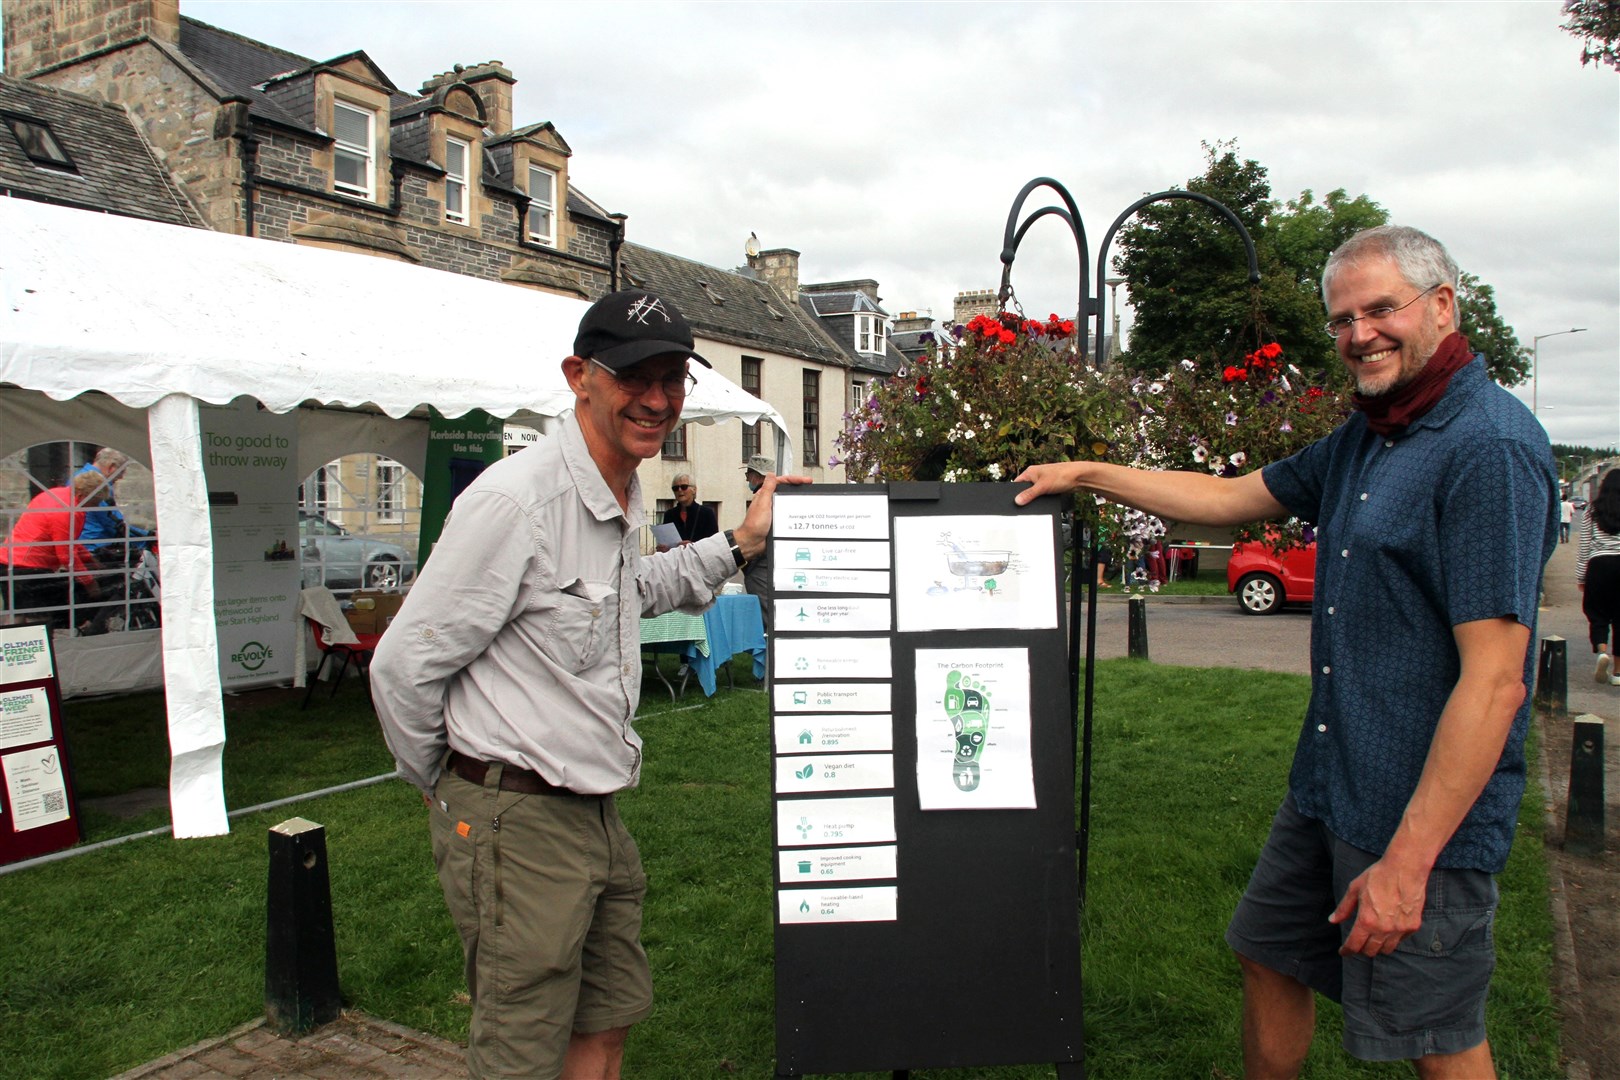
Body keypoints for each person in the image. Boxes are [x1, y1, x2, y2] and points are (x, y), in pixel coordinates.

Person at [1016, 225, 1556, 1078]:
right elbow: (1230, 497)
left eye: (1381, 310)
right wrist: (1085, 472)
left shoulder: (1488, 448)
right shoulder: (1367, 436)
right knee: (1268, 955)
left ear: (1443, 305)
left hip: (1422, 817)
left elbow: (1495, 684)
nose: (1359, 335)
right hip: (1329, 786)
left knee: (1437, 1037)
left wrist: (1408, 865)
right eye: (1342, 320)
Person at [371, 289, 800, 1080]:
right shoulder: (516, 501)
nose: (659, 399)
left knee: (605, 1024)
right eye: (637, 375)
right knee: (521, 1053)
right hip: (517, 818)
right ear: (580, 376)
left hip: (594, 813)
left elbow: (630, 592)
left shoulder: (617, 492)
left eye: (674, 379)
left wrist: (741, 542)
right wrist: (449, 783)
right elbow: (402, 666)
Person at [0, 471, 108, 630]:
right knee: (40, 615)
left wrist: (90, 559)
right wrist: (90, 583)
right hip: (28, 566)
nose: (96, 506)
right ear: (85, 495)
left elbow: (68, 541)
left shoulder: (56, 494)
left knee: (17, 613)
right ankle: (38, 648)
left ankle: (12, 649)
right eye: (96, 501)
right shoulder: (66, 511)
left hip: (9, 560)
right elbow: (66, 555)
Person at [1578, 469, 1620, 686]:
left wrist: (1581, 577)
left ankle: (1601, 652)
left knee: (1597, 613)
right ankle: (1618, 673)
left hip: (1599, 564)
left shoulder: (1592, 510)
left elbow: (1585, 545)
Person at [742, 454, 775, 630]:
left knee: (767, 619)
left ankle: (767, 653)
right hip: (763, 565)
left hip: (761, 566)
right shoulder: (770, 495)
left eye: (748, 474)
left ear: (758, 476)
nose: (747, 478)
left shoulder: (763, 498)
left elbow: (758, 535)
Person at [657, 471, 718, 550]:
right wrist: (663, 548)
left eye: (684, 487)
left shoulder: (706, 513)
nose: (679, 490)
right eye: (675, 488)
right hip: (676, 560)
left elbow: (714, 543)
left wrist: (692, 545)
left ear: (694, 490)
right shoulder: (669, 514)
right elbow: (667, 543)